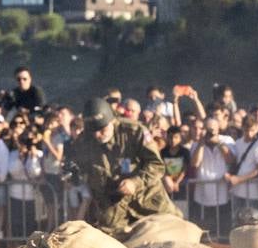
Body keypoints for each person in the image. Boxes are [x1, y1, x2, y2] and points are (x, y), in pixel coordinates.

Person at [66, 97, 177, 236]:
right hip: (113, 207)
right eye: (93, 131)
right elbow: (75, 167)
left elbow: (156, 164)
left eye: (102, 129)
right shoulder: (83, 142)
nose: (97, 135)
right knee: (111, 247)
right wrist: (73, 174)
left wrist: (135, 183)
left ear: (112, 121)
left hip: (147, 198)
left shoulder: (134, 131)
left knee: (176, 230)